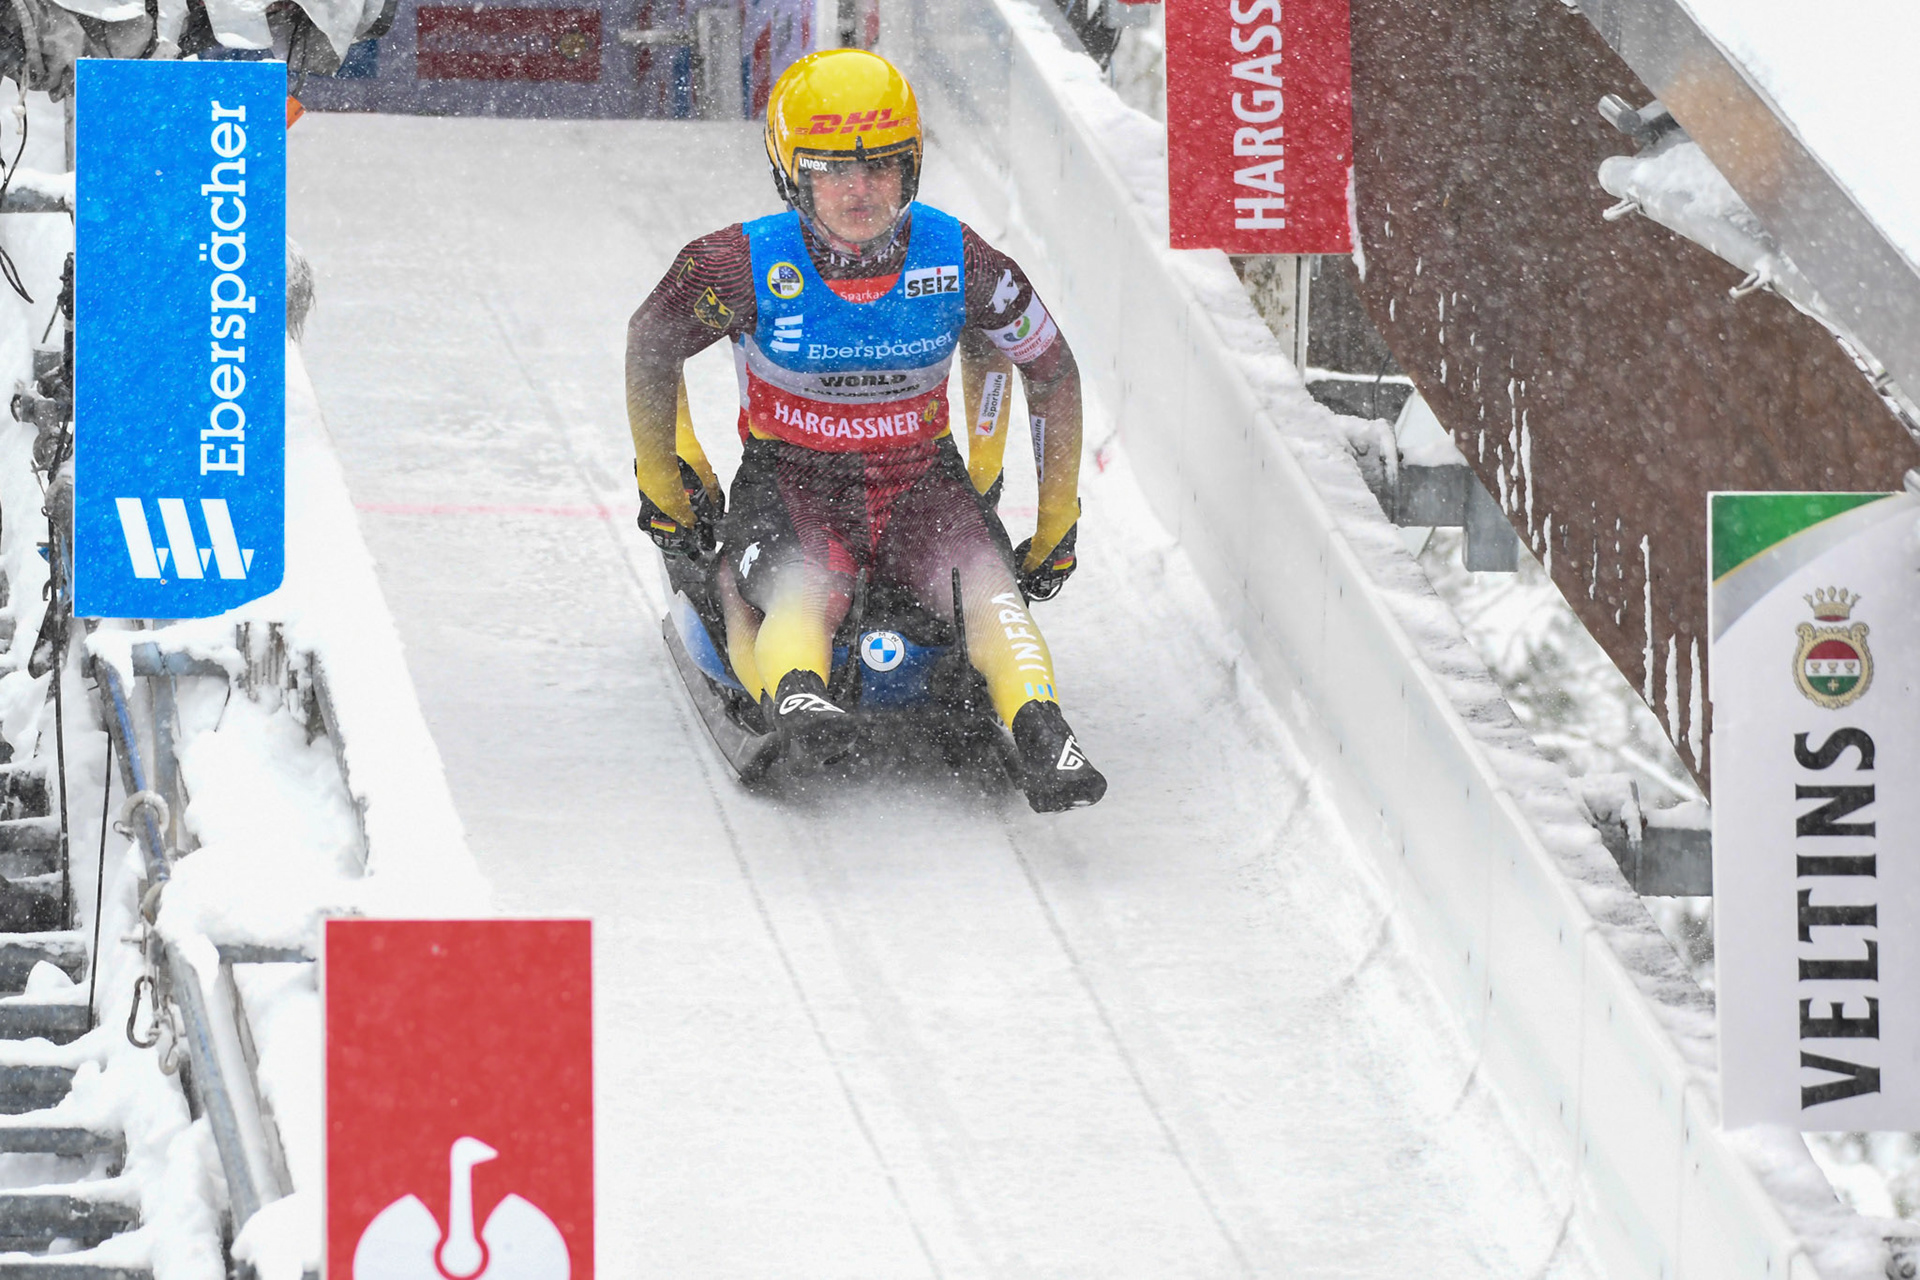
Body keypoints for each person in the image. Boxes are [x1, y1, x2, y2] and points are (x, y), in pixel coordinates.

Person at [624, 47, 1106, 812]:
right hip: (793, 477)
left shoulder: (960, 258)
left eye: (881, 167)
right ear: (793, 174)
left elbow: (1051, 370)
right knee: (805, 588)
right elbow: (654, 344)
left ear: (910, 168)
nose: (859, 190)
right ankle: (800, 695)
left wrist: (1053, 523)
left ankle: (1043, 726)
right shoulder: (739, 263)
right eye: (831, 169)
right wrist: (669, 477)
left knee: (990, 592)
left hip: (920, 478)